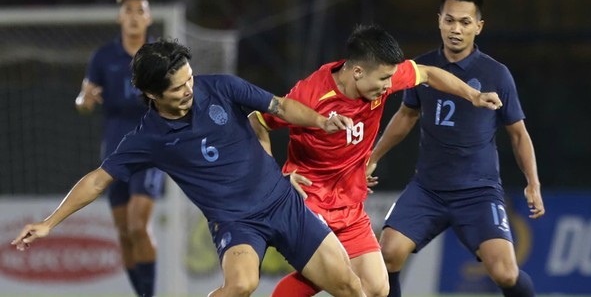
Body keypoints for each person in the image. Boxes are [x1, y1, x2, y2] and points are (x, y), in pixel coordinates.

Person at [12, 39, 367, 297]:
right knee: (242, 285)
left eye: (190, 79)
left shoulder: (223, 87)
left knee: (352, 286)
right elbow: (96, 181)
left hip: (283, 202)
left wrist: (322, 121)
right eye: (178, 87)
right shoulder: (148, 138)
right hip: (236, 223)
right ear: (152, 93)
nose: (189, 89)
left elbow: (281, 107)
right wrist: (49, 223)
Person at [249, 24, 503, 297]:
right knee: (344, 281)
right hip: (309, 204)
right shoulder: (310, 95)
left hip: (349, 205)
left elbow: (428, 73)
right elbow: (257, 120)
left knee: (377, 288)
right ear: (357, 71)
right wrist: (273, 179)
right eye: (383, 80)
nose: (388, 86)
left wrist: (473, 95)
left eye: (390, 79)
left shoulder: (382, 76)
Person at [366, 0, 545, 297]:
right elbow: (406, 116)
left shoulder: (496, 74)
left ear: (479, 26)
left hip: (478, 192)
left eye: (464, 22)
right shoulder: (421, 69)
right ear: (439, 21)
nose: (456, 29)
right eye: (449, 21)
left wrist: (533, 182)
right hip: (428, 189)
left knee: (505, 273)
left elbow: (519, 134)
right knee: (387, 252)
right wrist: (374, 155)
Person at [74, 0, 162, 296]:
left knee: (139, 226)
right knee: (124, 232)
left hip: (150, 149)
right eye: (129, 11)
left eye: (141, 11)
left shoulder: (158, 58)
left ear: (149, 17)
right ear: (119, 17)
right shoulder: (104, 57)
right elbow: (84, 100)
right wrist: (84, 99)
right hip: (114, 151)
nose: (135, 17)